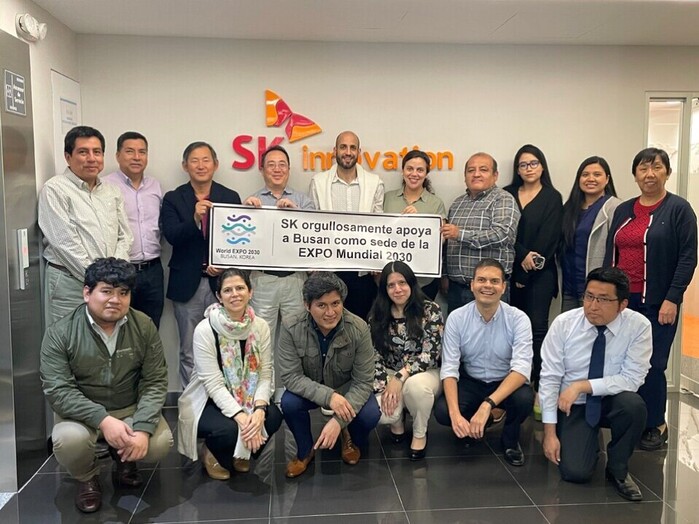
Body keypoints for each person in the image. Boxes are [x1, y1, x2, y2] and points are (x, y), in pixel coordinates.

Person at [40, 258, 172, 513]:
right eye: (107, 291)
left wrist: (142, 428)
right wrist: (102, 419)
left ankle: (124, 460)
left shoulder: (143, 326)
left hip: (129, 408)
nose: (115, 300)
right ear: (87, 293)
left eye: (123, 293)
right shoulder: (60, 332)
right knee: (68, 441)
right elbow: (58, 390)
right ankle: (87, 477)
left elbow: (155, 381)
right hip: (81, 415)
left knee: (160, 442)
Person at [605, 147, 697, 451]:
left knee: (653, 363)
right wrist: (606, 296)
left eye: (657, 167)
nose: (650, 174)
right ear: (635, 175)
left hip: (658, 302)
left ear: (667, 172)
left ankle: (656, 424)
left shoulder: (679, 209)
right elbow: (611, 254)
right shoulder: (624, 209)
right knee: (621, 360)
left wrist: (673, 298)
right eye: (643, 168)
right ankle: (627, 419)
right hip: (622, 301)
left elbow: (688, 257)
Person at [540, 267, 652, 501]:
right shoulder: (564, 324)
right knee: (575, 473)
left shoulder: (638, 326)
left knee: (633, 406)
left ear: (622, 305)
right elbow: (549, 378)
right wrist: (549, 434)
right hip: (573, 405)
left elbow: (632, 379)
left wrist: (583, 385)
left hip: (611, 400)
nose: (592, 305)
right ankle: (585, 441)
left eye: (603, 299)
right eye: (589, 296)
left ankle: (618, 469)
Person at [178, 269, 283, 479]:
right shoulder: (205, 329)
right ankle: (211, 453)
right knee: (229, 428)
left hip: (248, 395)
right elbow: (213, 384)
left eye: (240, 288)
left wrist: (259, 410)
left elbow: (265, 373)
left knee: (272, 417)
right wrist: (243, 418)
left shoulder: (260, 326)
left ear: (250, 292)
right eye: (227, 290)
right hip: (209, 399)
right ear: (219, 296)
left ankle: (240, 452)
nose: (234, 294)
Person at [278, 272, 380, 478]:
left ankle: (349, 436)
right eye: (321, 305)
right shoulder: (290, 326)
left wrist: (338, 421)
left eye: (335, 303)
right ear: (307, 305)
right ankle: (305, 450)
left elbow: (363, 382)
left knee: (370, 414)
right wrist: (329, 397)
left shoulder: (359, 328)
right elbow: (291, 377)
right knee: (289, 403)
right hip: (311, 387)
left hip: (346, 387)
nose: (330, 312)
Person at [434, 258, 534, 467]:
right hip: (471, 380)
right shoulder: (457, 318)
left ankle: (510, 440)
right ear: (472, 285)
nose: (487, 286)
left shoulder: (519, 319)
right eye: (481, 280)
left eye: (494, 281)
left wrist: (488, 404)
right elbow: (449, 368)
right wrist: (455, 415)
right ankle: (469, 426)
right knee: (443, 411)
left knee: (524, 399)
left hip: (505, 381)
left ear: (503, 287)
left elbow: (521, 370)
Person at [161, 141, 241, 387]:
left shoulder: (230, 197)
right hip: (187, 284)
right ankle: (191, 403)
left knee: (226, 347)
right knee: (189, 349)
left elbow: (239, 240)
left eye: (206, 160)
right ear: (185, 166)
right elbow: (171, 236)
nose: (200, 165)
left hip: (222, 283)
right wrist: (195, 218)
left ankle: (224, 400)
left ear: (215, 164)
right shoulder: (173, 198)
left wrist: (224, 265)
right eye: (194, 160)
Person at [39, 126, 133, 326]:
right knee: (69, 339)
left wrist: (114, 277)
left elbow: (124, 236)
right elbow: (64, 244)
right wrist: (101, 280)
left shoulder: (112, 191)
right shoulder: (55, 189)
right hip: (70, 284)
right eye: (83, 152)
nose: (92, 158)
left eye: (97, 152)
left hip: (109, 284)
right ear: (68, 157)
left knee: (106, 338)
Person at [369, 261, 443, 460]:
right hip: (390, 372)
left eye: (402, 283)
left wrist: (400, 377)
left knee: (415, 387)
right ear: (384, 289)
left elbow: (431, 354)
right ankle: (397, 421)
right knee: (384, 414)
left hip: (424, 372)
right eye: (391, 285)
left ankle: (419, 433)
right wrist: (385, 382)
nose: (397, 289)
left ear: (411, 283)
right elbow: (373, 354)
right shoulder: (377, 314)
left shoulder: (431, 310)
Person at [243, 145, 315, 348]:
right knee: (260, 341)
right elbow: (243, 242)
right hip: (262, 280)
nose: (277, 169)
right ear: (262, 169)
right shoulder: (252, 201)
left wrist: (296, 213)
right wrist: (246, 212)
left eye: (282, 164)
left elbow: (313, 236)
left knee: (298, 340)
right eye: (271, 165)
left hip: (295, 279)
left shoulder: (304, 201)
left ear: (289, 169)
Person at [504, 144, 563, 390]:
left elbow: (549, 240)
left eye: (533, 163)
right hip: (510, 272)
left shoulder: (552, 197)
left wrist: (526, 273)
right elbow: (504, 233)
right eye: (523, 165)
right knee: (511, 332)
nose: (528, 168)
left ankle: (540, 386)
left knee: (537, 329)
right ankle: (515, 385)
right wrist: (522, 257)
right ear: (517, 169)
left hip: (541, 274)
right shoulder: (506, 194)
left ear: (542, 166)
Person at [309, 131, 384, 320]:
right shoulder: (318, 182)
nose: (348, 152)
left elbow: (378, 225)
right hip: (329, 268)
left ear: (359, 152)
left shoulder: (374, 183)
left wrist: (377, 259)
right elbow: (312, 225)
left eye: (352, 147)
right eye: (343, 147)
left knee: (360, 324)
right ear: (335, 151)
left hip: (362, 270)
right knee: (328, 322)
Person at [440, 152, 520, 313]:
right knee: (457, 329)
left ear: (495, 175)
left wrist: (460, 234)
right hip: (456, 288)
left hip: (489, 289)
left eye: (483, 170)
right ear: (465, 176)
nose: (476, 174)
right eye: (471, 170)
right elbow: (449, 242)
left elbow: (502, 234)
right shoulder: (457, 203)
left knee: (493, 330)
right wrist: (445, 274)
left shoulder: (503, 199)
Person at [104, 131, 165, 327]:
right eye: (130, 151)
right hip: (120, 269)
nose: (137, 157)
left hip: (153, 269)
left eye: (142, 152)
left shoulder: (155, 186)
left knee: (151, 327)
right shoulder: (105, 185)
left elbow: (161, 225)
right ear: (117, 155)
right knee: (118, 327)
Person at [383, 150, 447, 299]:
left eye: (420, 170)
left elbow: (441, 240)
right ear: (403, 171)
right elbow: (377, 232)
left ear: (426, 173)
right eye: (410, 168)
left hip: (424, 280)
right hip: (391, 279)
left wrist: (419, 222)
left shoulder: (435, 203)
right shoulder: (387, 198)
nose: (414, 174)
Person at [560, 156, 620, 311]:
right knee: (568, 325)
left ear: (607, 179)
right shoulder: (569, 208)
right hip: (569, 287)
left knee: (594, 325)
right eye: (585, 175)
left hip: (597, 288)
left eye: (597, 174)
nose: (590, 179)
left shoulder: (614, 208)